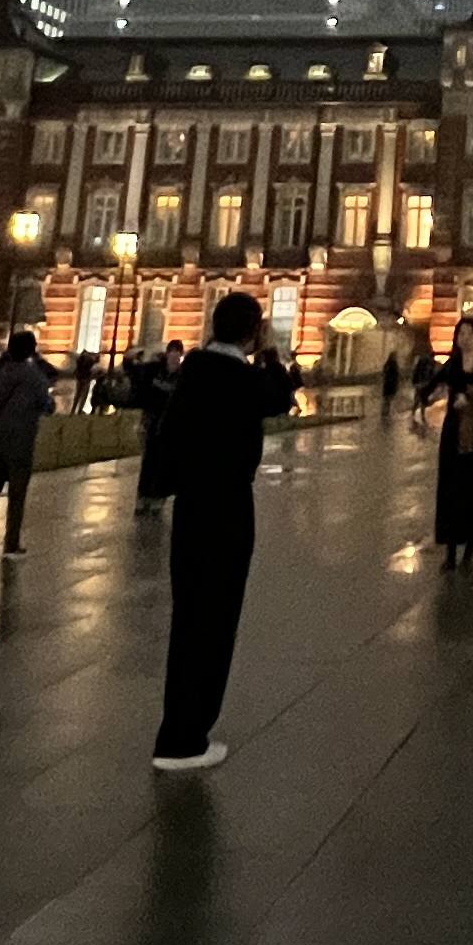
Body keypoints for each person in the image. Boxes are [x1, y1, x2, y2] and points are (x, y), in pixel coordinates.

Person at [149, 293, 297, 772]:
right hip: (228, 507)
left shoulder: (193, 371)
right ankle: (188, 739)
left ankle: (174, 730)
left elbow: (167, 439)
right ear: (252, 333)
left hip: (191, 507)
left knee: (188, 617)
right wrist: (271, 353)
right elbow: (282, 397)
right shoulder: (243, 378)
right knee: (216, 620)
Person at [426, 317, 473, 568]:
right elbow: (431, 386)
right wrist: (426, 397)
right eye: (461, 333)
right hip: (453, 432)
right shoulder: (452, 364)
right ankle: (450, 551)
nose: (465, 338)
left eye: (469, 333)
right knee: (449, 490)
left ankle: (470, 546)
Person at [0, 330, 57, 554]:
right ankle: (11, 542)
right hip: (21, 441)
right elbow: (47, 405)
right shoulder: (34, 377)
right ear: (31, 350)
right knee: (17, 495)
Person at [132, 338, 187, 516]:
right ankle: (143, 496)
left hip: (171, 426)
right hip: (152, 421)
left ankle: (157, 498)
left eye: (177, 353)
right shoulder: (155, 369)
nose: (175, 356)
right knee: (149, 461)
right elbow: (138, 377)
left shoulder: (182, 375)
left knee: (164, 462)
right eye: (173, 352)